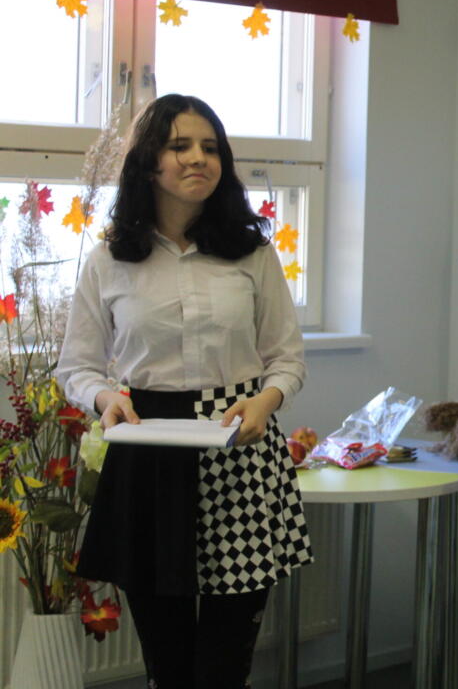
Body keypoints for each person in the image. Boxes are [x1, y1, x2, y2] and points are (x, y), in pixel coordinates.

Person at [57, 94, 311, 688]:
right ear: (148, 163)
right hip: (148, 447)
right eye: (180, 146)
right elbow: (77, 367)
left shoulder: (252, 253)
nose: (199, 158)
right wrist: (105, 400)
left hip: (239, 447)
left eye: (210, 147)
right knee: (167, 660)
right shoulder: (109, 259)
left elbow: (286, 358)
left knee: (226, 661)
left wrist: (267, 400)